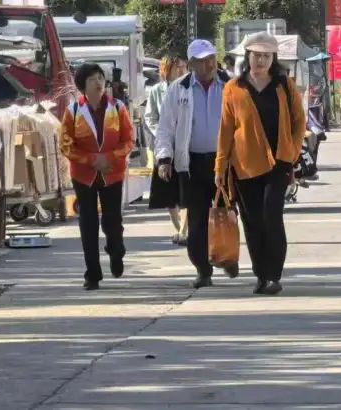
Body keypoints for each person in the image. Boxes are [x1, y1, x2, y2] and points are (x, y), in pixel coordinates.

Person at [216, 32, 306, 296]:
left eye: (267, 56)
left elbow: (299, 122)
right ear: (248, 56)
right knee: (252, 220)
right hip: (244, 164)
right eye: (257, 55)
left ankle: (274, 275)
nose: (262, 60)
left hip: (278, 162)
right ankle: (260, 274)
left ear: (273, 58)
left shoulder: (284, 85)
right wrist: (220, 167)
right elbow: (225, 129)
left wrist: (293, 152)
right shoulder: (233, 88)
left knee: (272, 215)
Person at [154, 39, 235, 289]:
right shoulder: (179, 89)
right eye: (202, 60)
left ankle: (227, 257)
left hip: (225, 163)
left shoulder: (231, 85)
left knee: (226, 215)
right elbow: (165, 128)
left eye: (211, 58)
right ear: (191, 64)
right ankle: (203, 269)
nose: (209, 64)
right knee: (198, 219)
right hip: (192, 164)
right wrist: (164, 158)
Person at [58, 62, 135, 290]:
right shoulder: (73, 111)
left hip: (112, 172)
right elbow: (65, 144)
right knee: (88, 223)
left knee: (112, 221)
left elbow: (128, 140)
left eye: (101, 78)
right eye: (92, 79)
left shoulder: (118, 108)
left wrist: (109, 158)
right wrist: (93, 160)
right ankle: (92, 273)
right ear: (83, 85)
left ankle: (116, 250)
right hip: (84, 175)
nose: (99, 83)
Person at [144, 54, 188, 244]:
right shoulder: (156, 91)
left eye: (183, 66)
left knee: (187, 191)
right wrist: (161, 132)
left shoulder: (188, 88)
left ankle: (185, 231)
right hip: (164, 147)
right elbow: (150, 117)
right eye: (176, 66)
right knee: (168, 193)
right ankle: (177, 227)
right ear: (166, 69)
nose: (180, 70)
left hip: (185, 146)